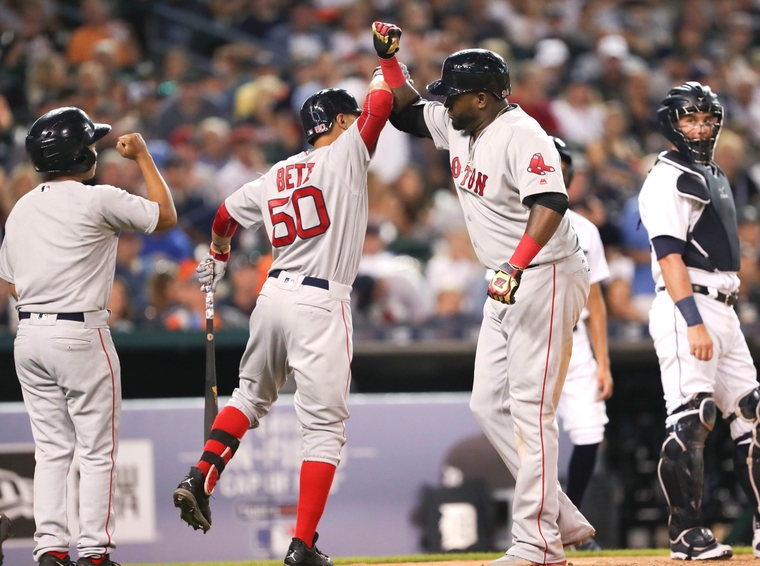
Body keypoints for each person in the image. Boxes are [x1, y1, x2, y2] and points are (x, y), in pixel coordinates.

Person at [371, 22, 593, 566]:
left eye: (453, 97)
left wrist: (516, 266)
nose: (443, 105)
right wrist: (392, 61)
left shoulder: (524, 134)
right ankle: (559, 513)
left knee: (530, 410)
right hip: (508, 277)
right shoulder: (461, 125)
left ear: (483, 97)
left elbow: (550, 202)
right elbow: (404, 112)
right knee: (486, 402)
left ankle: (538, 542)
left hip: (544, 271)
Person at [171, 73, 394, 566]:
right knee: (324, 431)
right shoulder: (346, 152)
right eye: (349, 117)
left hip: (272, 295)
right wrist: (386, 64)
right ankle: (303, 545)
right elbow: (381, 107)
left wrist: (220, 254)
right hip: (320, 300)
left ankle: (202, 473)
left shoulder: (278, 172)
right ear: (338, 121)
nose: (356, 122)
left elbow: (224, 216)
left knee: (249, 397)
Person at [637, 82, 760, 560]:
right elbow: (668, 258)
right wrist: (692, 321)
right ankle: (686, 534)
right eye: (689, 119)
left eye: (706, 119)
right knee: (692, 419)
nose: (700, 128)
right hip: (689, 304)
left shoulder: (712, 172)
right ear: (671, 124)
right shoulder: (665, 178)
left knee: (755, 413)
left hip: (722, 304)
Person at [0, 107, 177, 566]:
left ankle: (50, 550)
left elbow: (12, 281)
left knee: (50, 450)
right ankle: (94, 552)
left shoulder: (21, 207)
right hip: (79, 331)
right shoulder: (96, 198)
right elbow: (165, 216)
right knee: (97, 449)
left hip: (29, 333)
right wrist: (142, 158)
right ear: (79, 152)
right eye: (91, 143)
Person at [551, 137, 613, 552]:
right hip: (535, 342)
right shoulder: (512, 221)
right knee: (534, 438)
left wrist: (604, 362)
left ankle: (569, 520)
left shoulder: (585, 228)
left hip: (577, 343)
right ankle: (545, 525)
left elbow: (595, 299)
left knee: (590, 432)